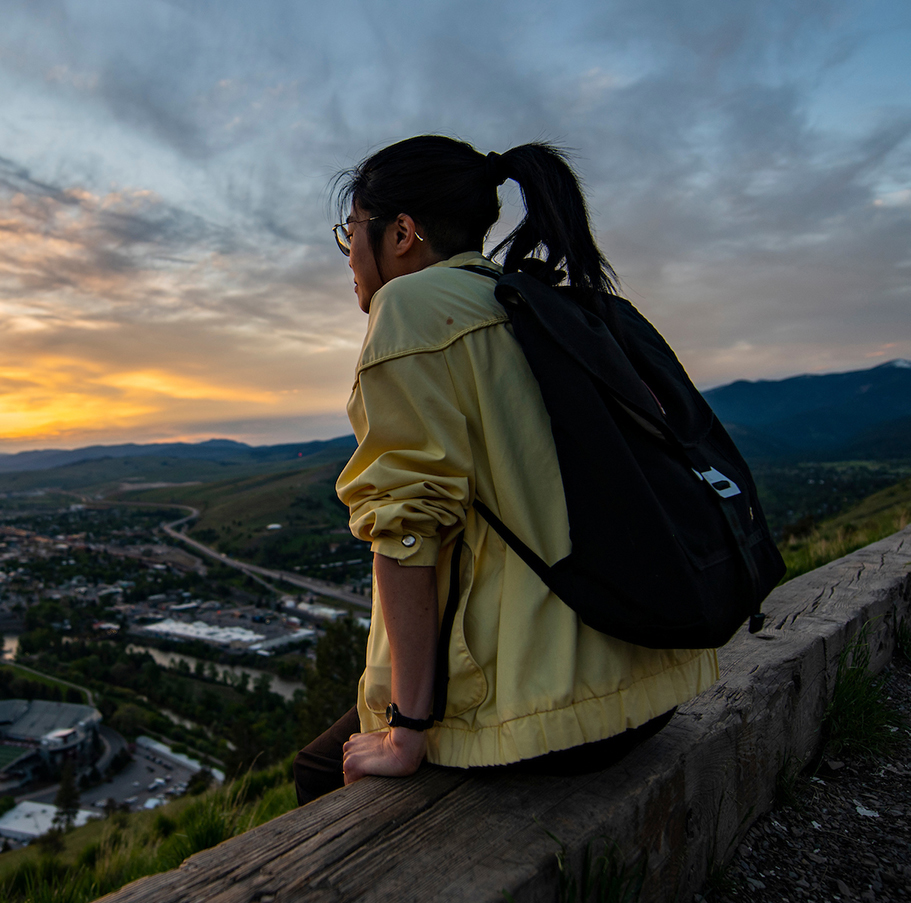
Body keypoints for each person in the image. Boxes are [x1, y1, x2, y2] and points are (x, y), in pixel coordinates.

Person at [293, 136, 718, 805]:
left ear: (401, 232)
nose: (349, 253)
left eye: (353, 231)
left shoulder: (409, 310)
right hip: (645, 681)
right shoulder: (522, 299)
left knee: (319, 773)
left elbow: (406, 532)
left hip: (545, 714)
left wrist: (406, 728)